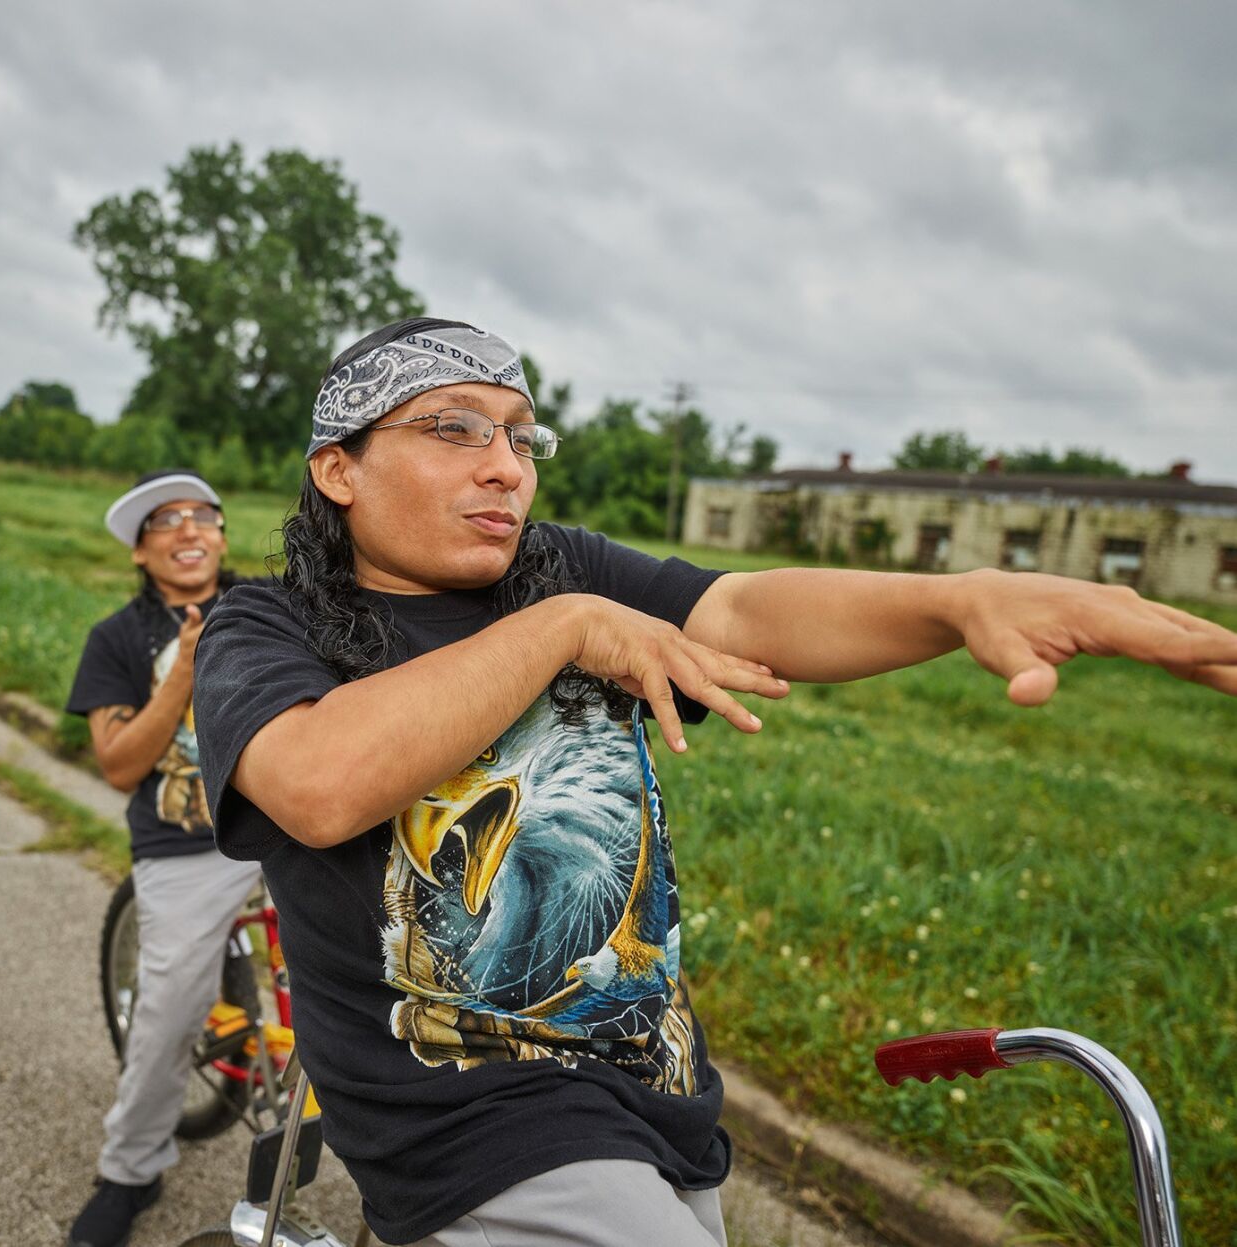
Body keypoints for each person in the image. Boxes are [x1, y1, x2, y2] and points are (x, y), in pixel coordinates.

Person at [190, 318, 1237, 1247]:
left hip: (660, 1088)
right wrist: (567, 628)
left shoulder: (558, 565)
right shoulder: (265, 621)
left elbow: (740, 611)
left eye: (521, 434)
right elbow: (319, 780)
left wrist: (956, 598)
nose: (505, 466)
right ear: (340, 468)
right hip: (466, 1116)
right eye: (455, 428)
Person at [63, 469, 261, 1247]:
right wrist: (182, 670)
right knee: (173, 995)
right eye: (163, 522)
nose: (186, 531)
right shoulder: (116, 639)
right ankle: (130, 1166)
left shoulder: (267, 605)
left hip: (291, 824)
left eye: (201, 516)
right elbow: (117, 763)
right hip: (189, 842)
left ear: (220, 533)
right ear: (141, 553)